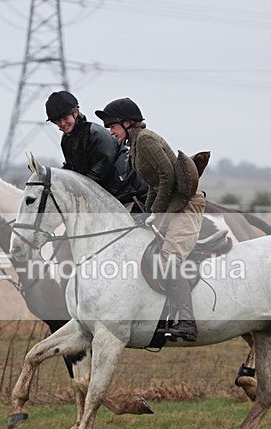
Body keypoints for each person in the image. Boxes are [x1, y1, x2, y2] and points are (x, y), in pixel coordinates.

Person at [95, 97, 205, 342]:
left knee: (168, 260)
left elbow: (167, 175)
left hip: (187, 204)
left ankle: (187, 321)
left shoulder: (145, 141)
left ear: (127, 123)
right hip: (173, 204)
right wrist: (150, 213)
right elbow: (156, 183)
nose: (109, 131)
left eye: (112, 126)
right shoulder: (135, 145)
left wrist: (156, 213)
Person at [45, 90, 147, 210]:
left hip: (130, 194)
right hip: (109, 196)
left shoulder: (96, 134)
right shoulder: (66, 140)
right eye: (57, 121)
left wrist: (75, 189)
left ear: (76, 112)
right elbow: (72, 169)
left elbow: (101, 169)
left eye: (65, 118)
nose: (62, 124)